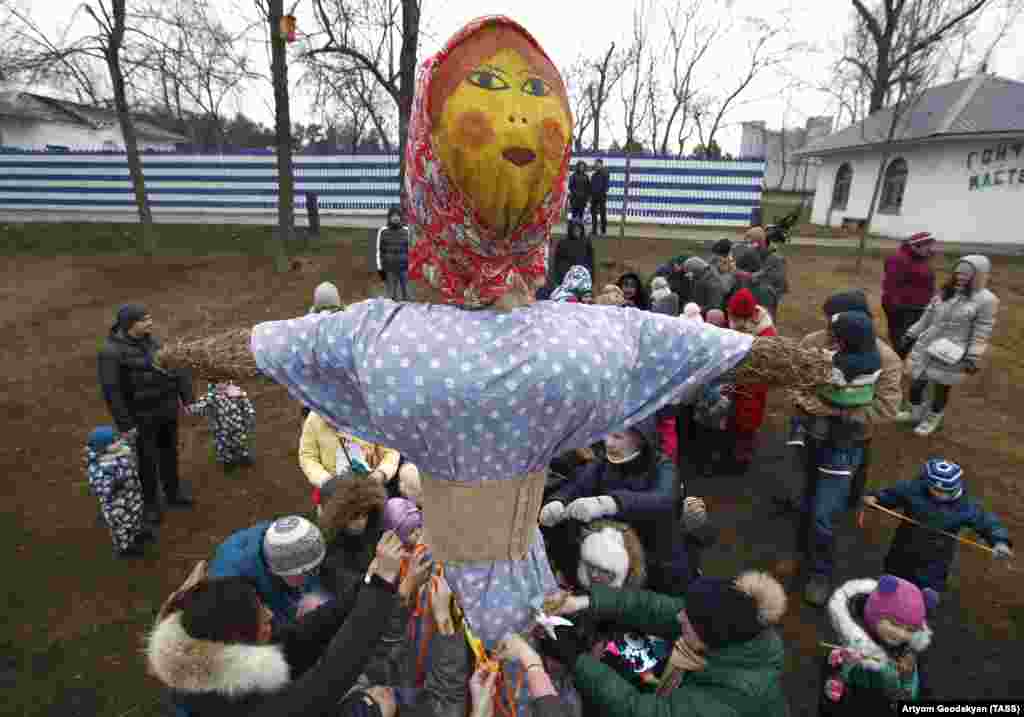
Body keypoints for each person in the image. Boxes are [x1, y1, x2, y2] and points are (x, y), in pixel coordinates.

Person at [146, 533, 404, 717]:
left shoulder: (216, 657)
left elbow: (302, 636)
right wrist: (380, 588)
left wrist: (370, 583)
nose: (270, 614)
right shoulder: (236, 704)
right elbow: (325, 682)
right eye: (259, 618)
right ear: (237, 642)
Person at [785, 290, 902, 606]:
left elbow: (887, 408)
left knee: (826, 512)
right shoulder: (813, 343)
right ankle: (802, 555)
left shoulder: (885, 359)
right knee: (804, 500)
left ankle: (820, 573)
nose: (828, 330)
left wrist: (839, 412)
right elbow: (794, 381)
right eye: (829, 321)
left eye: (835, 323)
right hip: (810, 437)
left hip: (846, 444)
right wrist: (804, 402)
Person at [539, 572, 789, 717]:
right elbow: (652, 608)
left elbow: (643, 712)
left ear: (707, 640)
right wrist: (583, 602)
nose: (679, 617)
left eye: (687, 621)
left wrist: (577, 659)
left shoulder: (729, 697)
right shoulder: (730, 628)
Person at [539, 416, 692, 596]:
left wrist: (609, 503)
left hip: (657, 562)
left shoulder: (663, 467)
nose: (608, 442)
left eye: (617, 437)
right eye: (607, 435)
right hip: (613, 559)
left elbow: (663, 500)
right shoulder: (601, 464)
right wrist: (557, 502)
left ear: (641, 438)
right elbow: (576, 486)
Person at [98, 304, 193, 526]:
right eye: (144, 320)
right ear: (130, 325)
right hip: (140, 417)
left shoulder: (153, 342)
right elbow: (112, 390)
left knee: (169, 453)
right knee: (146, 461)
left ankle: (173, 494)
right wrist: (125, 423)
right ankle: (150, 505)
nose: (150, 323)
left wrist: (187, 398)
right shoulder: (111, 352)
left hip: (166, 410)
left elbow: (176, 368)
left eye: (149, 318)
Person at [863, 459, 1013, 594]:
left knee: (924, 593)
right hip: (902, 551)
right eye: (935, 489)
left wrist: (1000, 541)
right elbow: (893, 495)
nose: (939, 494)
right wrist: (877, 498)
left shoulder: (966, 505)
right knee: (891, 582)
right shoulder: (915, 489)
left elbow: (987, 522)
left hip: (935, 561)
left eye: (944, 491)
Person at [898, 254, 998, 436]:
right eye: (958, 273)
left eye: (967, 274)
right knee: (917, 381)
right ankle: (914, 413)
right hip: (927, 346)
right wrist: (910, 334)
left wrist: (973, 357)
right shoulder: (945, 293)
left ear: (979, 275)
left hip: (952, 351)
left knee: (941, 388)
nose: (961, 277)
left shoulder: (986, 300)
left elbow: (982, 331)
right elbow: (926, 318)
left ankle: (932, 419)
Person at [821, 575, 939, 713]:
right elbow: (831, 695)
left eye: (910, 630)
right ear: (874, 613)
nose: (901, 634)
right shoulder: (846, 640)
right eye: (894, 624)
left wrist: (908, 678)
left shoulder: (909, 654)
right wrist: (843, 669)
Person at [788, 311, 882, 475]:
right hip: (860, 397)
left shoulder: (848, 363)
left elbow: (835, 379)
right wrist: (828, 356)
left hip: (841, 397)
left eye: (838, 336)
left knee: (808, 398)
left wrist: (818, 369)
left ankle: (801, 429)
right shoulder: (870, 354)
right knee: (844, 430)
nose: (833, 339)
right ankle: (839, 457)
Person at [206, 516, 328, 629]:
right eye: (306, 573)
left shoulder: (288, 539)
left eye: (314, 568)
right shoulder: (233, 584)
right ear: (278, 569)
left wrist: (310, 596)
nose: (310, 576)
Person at [299, 410, 401, 514]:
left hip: (371, 488)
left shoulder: (371, 411)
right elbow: (308, 457)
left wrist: (381, 474)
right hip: (333, 495)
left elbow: (391, 451)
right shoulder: (314, 417)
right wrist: (326, 480)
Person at [725, 289, 777, 472]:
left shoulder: (765, 332)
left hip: (753, 383)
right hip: (736, 379)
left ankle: (741, 461)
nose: (732, 319)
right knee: (732, 417)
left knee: (747, 420)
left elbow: (765, 362)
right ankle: (732, 451)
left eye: (735, 316)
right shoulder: (736, 320)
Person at [85, 426, 150, 558]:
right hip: (116, 503)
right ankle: (125, 548)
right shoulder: (99, 466)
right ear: (103, 447)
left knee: (135, 516)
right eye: (115, 441)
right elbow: (98, 487)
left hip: (131, 495)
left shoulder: (118, 450)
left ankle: (135, 534)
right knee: (121, 526)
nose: (119, 442)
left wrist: (131, 435)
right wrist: (112, 485)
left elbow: (124, 441)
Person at [318, 474, 390, 588]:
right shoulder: (331, 554)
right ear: (337, 517)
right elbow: (351, 592)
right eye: (353, 516)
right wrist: (373, 576)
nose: (361, 521)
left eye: (365, 513)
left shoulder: (376, 525)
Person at [882, 232, 937, 360]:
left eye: (931, 246)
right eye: (927, 246)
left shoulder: (923, 260)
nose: (930, 249)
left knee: (914, 337)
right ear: (915, 246)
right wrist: (895, 307)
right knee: (902, 338)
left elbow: (927, 283)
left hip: (920, 306)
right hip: (903, 307)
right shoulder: (898, 259)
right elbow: (891, 285)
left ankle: (901, 361)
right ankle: (895, 364)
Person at [185, 382, 256, 471]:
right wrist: (190, 408)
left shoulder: (236, 391)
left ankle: (243, 456)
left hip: (238, 425)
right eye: (218, 382)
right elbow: (199, 405)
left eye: (224, 381)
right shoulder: (210, 396)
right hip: (220, 429)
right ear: (214, 384)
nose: (221, 384)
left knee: (240, 441)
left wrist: (250, 413)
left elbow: (246, 403)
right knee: (223, 445)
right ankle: (227, 461)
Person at [376, 205, 412, 301]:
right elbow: (379, 251)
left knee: (407, 296)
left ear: (401, 217)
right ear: (389, 217)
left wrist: (411, 266)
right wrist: (380, 269)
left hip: (404, 268)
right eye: (393, 216)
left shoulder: (407, 231)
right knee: (391, 298)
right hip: (389, 269)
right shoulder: (383, 231)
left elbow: (411, 250)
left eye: (398, 216)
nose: (395, 218)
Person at [553, 218, 594, 288]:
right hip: (567, 276)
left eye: (579, 229)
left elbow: (590, 261)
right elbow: (558, 262)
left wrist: (590, 276)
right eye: (575, 229)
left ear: (582, 230)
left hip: (582, 276)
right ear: (571, 230)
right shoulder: (563, 243)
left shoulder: (586, 243)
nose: (577, 231)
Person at [590, 159, 610, 237]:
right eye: (596, 164)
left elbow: (606, 185)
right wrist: (591, 195)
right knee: (593, 214)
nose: (597, 166)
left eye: (598, 164)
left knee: (602, 214)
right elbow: (591, 185)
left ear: (601, 164)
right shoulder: (594, 175)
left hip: (601, 196)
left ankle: (603, 231)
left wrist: (603, 192)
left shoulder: (605, 173)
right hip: (594, 197)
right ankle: (594, 230)